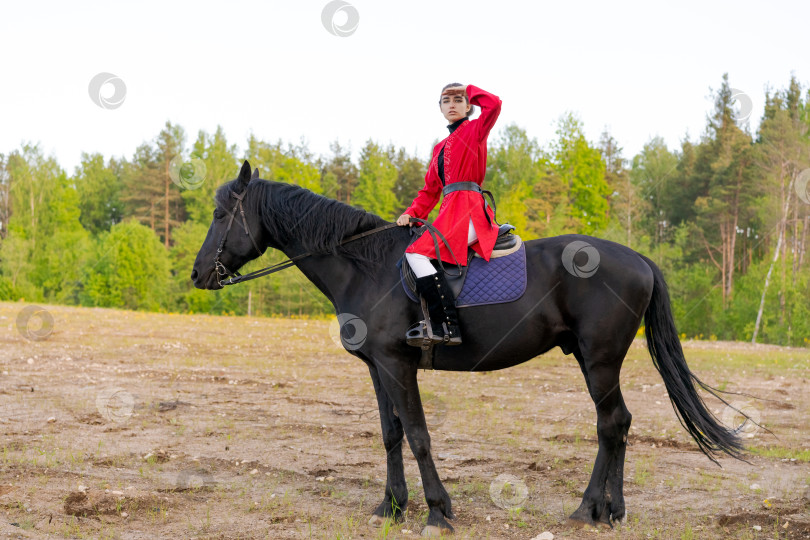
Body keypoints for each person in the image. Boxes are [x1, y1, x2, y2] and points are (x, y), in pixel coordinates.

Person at [397, 82, 502, 346]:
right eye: (446, 100)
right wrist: (411, 213)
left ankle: (446, 326)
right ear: (441, 108)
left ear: (469, 106)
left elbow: (495, 104)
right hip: (449, 212)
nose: (452, 104)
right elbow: (430, 192)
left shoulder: (476, 129)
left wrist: (468, 88)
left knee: (416, 254)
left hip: (470, 211)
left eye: (458, 100)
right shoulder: (439, 148)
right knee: (413, 250)